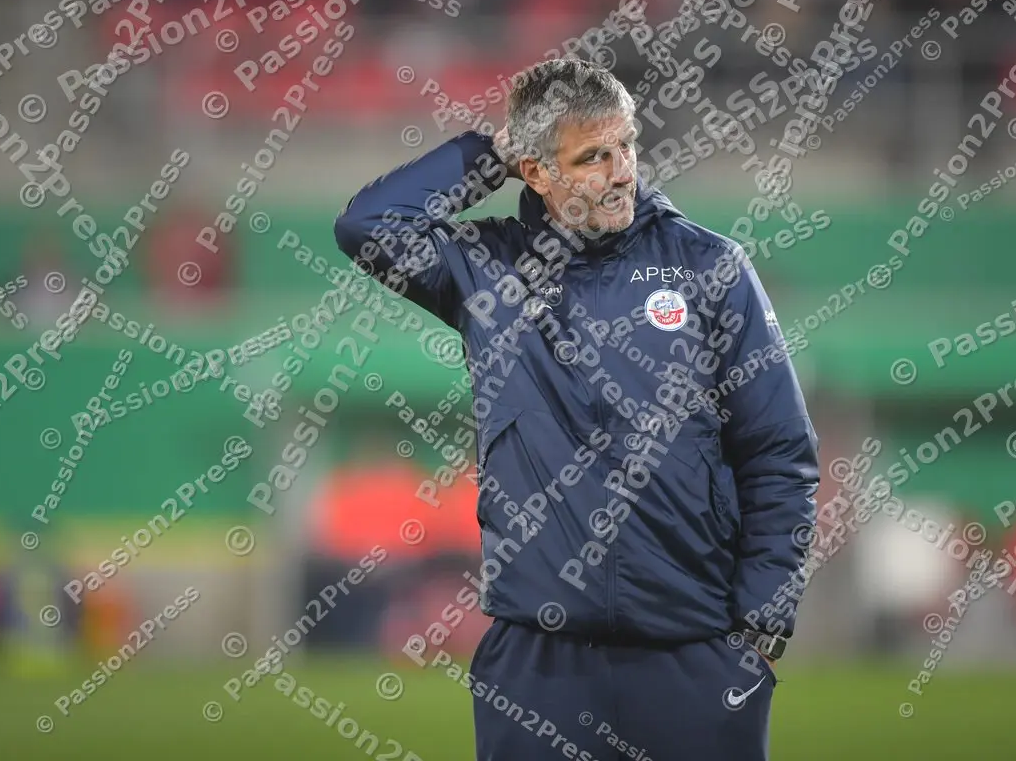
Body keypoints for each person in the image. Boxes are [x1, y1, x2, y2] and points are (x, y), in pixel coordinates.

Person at [334, 58, 819, 761]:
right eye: (592, 157)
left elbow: (778, 452)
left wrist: (763, 618)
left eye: (626, 145)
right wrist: (487, 155)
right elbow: (367, 225)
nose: (622, 172)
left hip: (696, 652)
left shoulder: (710, 267)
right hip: (537, 666)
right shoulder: (488, 269)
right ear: (534, 171)